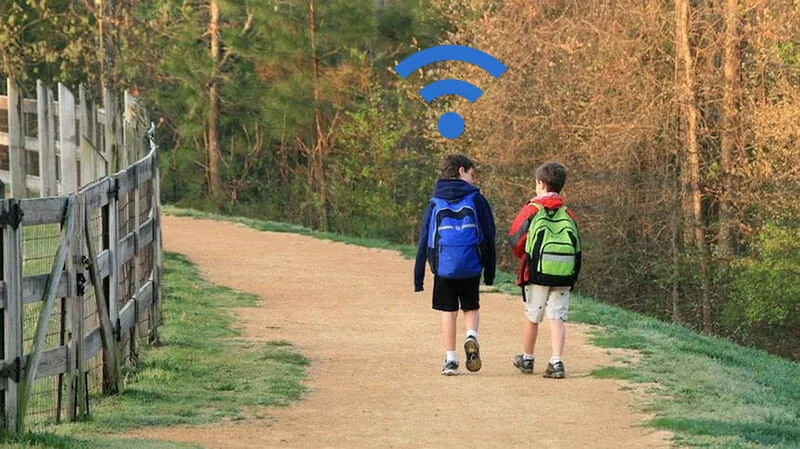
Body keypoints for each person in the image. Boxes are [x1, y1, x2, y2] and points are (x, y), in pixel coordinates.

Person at [414, 153, 496, 376]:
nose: (473, 179)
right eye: (472, 174)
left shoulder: (435, 201)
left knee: (448, 311)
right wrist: (489, 272)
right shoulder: (476, 199)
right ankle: (471, 335)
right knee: (471, 306)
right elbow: (489, 235)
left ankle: (451, 359)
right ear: (461, 171)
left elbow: (424, 239)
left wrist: (418, 278)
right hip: (471, 263)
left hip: (444, 266)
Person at [507, 161, 581, 378]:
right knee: (557, 317)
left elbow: (515, 239)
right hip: (563, 274)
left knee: (533, 316)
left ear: (540, 183)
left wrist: (526, 257)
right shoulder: (568, 214)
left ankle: (528, 358)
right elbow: (577, 247)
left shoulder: (532, 210)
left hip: (536, 274)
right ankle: (556, 361)